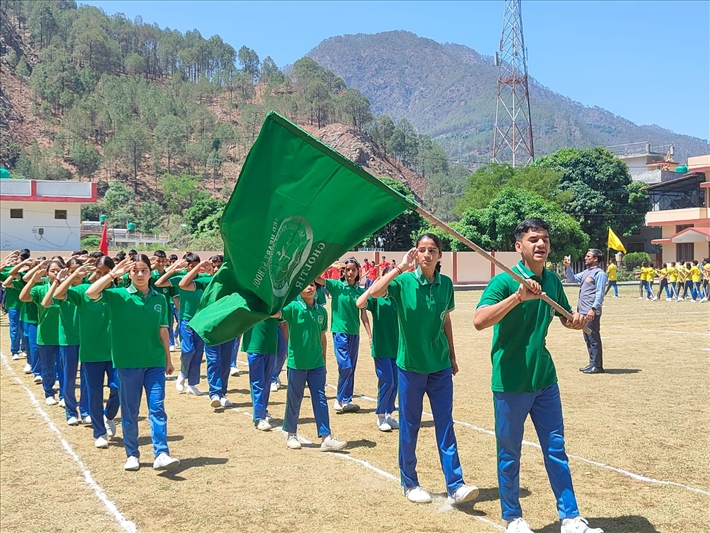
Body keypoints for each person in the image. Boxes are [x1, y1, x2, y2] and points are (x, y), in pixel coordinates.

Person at [474, 218, 602, 533]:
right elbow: (479, 321)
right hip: (510, 381)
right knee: (509, 453)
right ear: (519, 246)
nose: (541, 244)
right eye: (533, 239)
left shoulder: (552, 281)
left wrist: (574, 321)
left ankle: (570, 518)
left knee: (556, 449)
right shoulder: (505, 281)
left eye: (544, 238)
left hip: (544, 379)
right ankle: (513, 518)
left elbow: (564, 315)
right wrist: (518, 297)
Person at [368, 234, 478, 506]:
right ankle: (409, 483)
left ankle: (455, 485)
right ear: (415, 253)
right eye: (422, 249)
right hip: (411, 367)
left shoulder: (446, 284)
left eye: (432, 250)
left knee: (445, 424)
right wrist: (400, 267)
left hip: (439, 366)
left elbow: (445, 320)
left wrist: (452, 355)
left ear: (440, 255)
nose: (427, 254)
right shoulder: (404, 282)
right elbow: (375, 292)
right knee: (410, 425)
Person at [86, 255, 179, 472]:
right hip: (127, 363)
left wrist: (168, 358)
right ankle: (132, 454)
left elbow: (163, 330)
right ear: (129, 273)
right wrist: (112, 274)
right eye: (135, 270)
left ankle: (161, 453)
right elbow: (91, 293)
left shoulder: (159, 298)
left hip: (154, 362)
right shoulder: (118, 295)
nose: (140, 274)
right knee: (129, 411)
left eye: (144, 270)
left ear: (150, 272)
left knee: (157, 408)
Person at [54, 257, 120, 447]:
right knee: (94, 393)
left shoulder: (120, 293)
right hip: (91, 353)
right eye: (98, 272)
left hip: (116, 353)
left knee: (119, 389)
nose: (101, 276)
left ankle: (108, 416)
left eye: (106, 272)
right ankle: (99, 433)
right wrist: (73, 275)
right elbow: (59, 294)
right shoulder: (83, 291)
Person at [279, 282, 347, 452]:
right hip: (297, 364)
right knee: (294, 399)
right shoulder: (293, 307)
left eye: (312, 285)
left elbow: (322, 337)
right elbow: (276, 314)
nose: (310, 288)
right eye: (306, 285)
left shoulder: (322, 311)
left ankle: (326, 437)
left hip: (317, 364)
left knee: (320, 398)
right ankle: (291, 434)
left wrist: (324, 361)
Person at [178, 259, 236, 409]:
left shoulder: (234, 284)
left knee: (225, 362)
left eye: (219, 266)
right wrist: (198, 267)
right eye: (214, 267)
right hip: (211, 329)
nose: (216, 269)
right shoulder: (207, 281)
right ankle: (215, 393)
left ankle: (222, 393)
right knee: (214, 360)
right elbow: (183, 284)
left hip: (229, 328)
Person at [317, 258, 370, 413]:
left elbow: (364, 315)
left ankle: (347, 400)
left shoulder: (360, 292)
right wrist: (329, 265)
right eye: (347, 269)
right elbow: (315, 278)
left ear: (358, 271)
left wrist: (370, 335)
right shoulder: (336, 286)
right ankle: (339, 400)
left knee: (351, 367)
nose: (350, 272)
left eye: (353, 269)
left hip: (354, 333)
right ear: (343, 271)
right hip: (340, 332)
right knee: (345, 366)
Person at [155, 255, 207, 396]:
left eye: (197, 265)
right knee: (188, 350)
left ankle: (192, 384)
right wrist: (172, 270)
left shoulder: (203, 278)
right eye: (192, 265)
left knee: (198, 353)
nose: (195, 268)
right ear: (187, 266)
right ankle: (183, 374)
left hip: (201, 320)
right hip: (186, 319)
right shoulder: (180, 278)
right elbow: (158, 283)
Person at [19, 259, 65, 405]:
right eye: (53, 271)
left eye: (59, 270)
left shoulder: (69, 289)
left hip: (65, 336)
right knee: (48, 367)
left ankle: (64, 395)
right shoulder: (40, 289)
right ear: (47, 273)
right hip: (46, 335)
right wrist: (33, 280)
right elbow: (23, 297)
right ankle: (49, 393)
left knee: (64, 367)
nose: (56, 273)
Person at [356, 285, 399, 432]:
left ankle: (388, 414)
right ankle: (380, 415)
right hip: (381, 347)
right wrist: (372, 288)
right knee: (387, 380)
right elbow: (360, 303)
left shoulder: (397, 298)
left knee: (395, 383)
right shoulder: (376, 299)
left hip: (397, 347)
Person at [564, 249, 607, 374]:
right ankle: (592, 363)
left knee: (593, 338)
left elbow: (600, 293)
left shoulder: (599, 274)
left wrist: (593, 309)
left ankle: (597, 366)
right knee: (588, 338)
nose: (585, 258)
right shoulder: (587, 272)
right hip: (582, 311)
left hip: (590, 312)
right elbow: (572, 279)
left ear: (595, 259)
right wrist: (568, 267)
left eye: (588, 256)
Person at [242, 318, 279, 430]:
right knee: (257, 382)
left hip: (271, 344)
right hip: (255, 345)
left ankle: (263, 410)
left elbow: (283, 319)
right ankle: (259, 417)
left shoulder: (276, 307)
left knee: (267, 382)